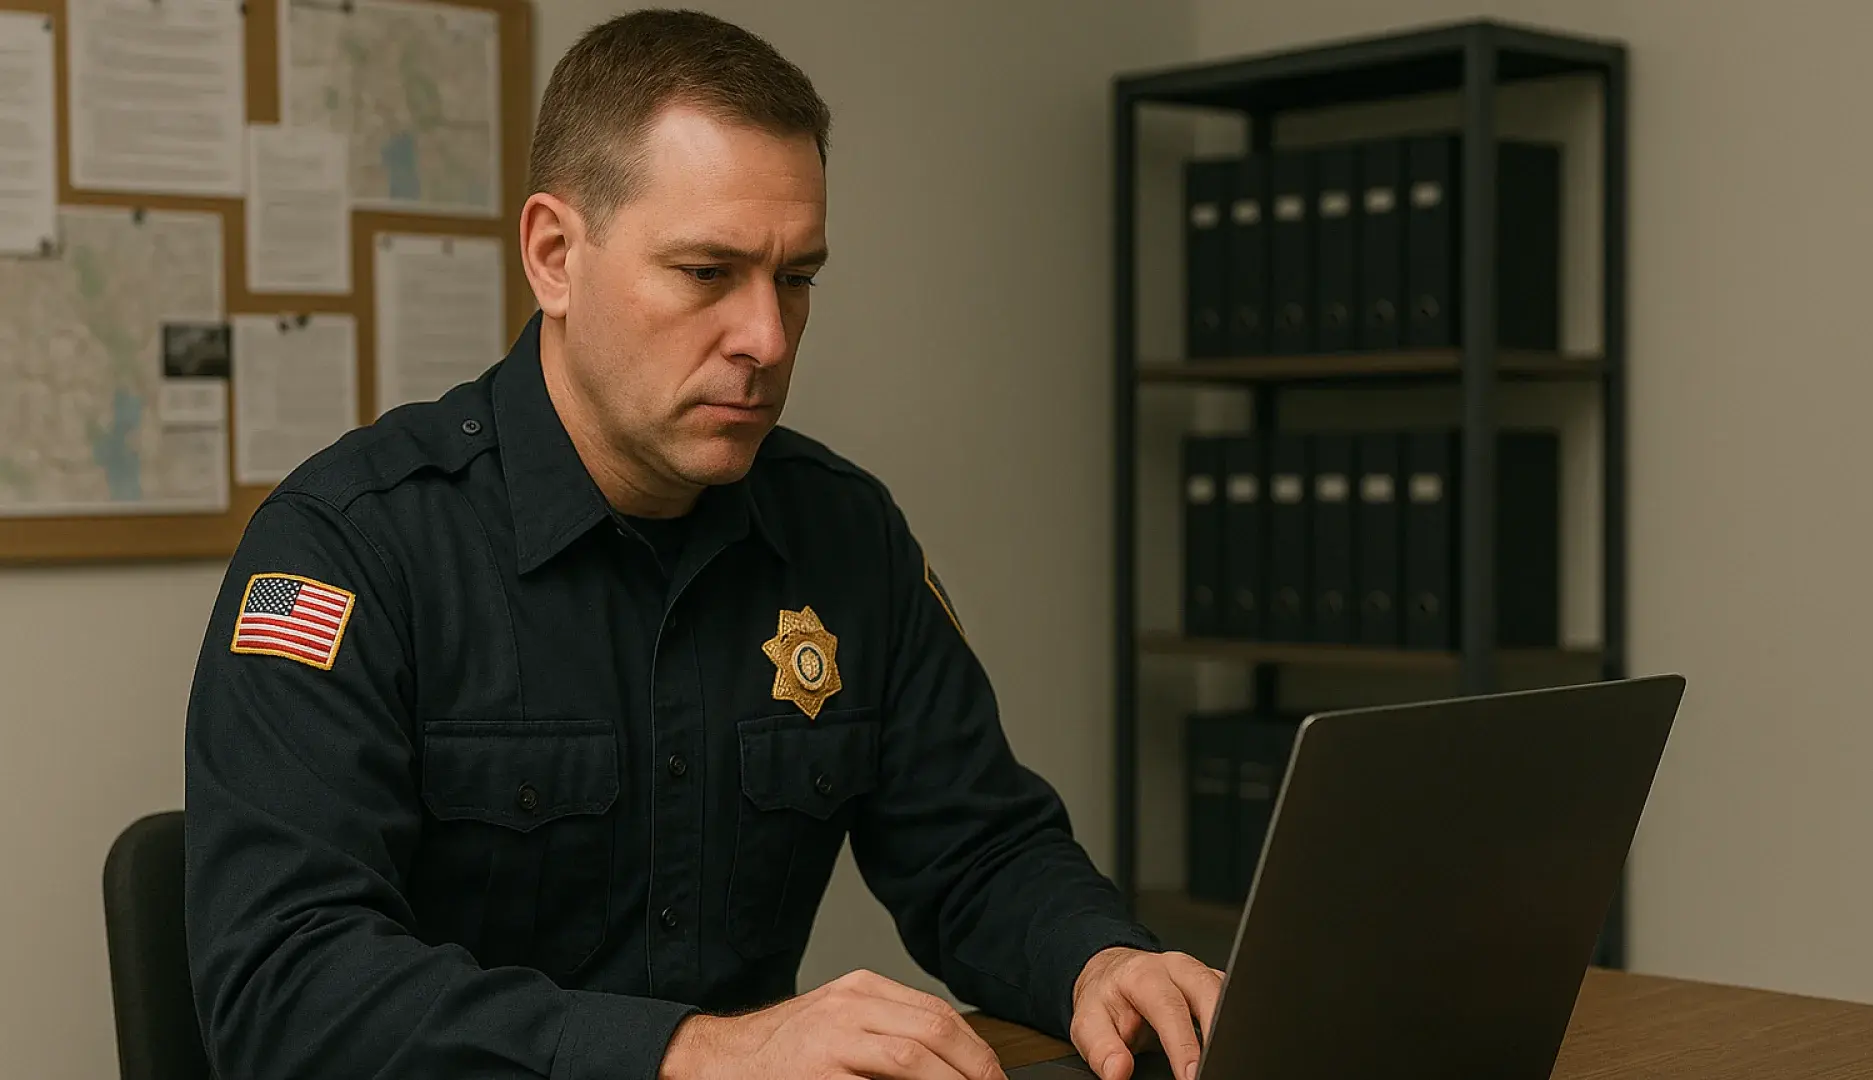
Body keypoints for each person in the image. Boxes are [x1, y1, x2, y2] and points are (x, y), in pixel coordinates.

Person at [182, 9, 1221, 1080]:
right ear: (553, 256)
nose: (767, 339)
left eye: (797, 277)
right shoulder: (353, 550)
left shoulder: (841, 534)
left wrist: (1095, 960)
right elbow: (285, 992)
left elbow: (979, 850)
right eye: (707, 273)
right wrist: (684, 1052)